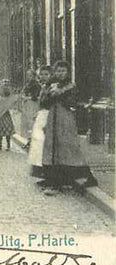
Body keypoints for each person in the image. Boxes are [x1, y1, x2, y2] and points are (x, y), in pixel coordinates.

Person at [40, 60, 98, 195]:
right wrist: (48, 93)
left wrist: (60, 94)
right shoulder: (51, 86)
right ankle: (55, 182)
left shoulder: (71, 87)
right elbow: (44, 104)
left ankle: (88, 177)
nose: (60, 74)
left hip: (65, 119)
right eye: (58, 71)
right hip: (53, 118)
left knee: (70, 147)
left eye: (63, 71)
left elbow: (73, 102)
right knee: (53, 149)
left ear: (67, 73)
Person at [28, 65, 52, 184]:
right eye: (42, 74)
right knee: (38, 143)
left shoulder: (52, 88)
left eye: (46, 74)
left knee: (44, 144)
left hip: (48, 116)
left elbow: (52, 105)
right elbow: (40, 102)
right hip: (41, 116)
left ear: (51, 75)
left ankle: (48, 175)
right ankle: (42, 173)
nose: (43, 76)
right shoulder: (43, 87)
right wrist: (37, 113)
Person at [0, 82, 18, 151]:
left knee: (6, 131)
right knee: (1, 131)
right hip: (1, 116)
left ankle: (7, 145)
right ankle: (1, 145)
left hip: (4, 115)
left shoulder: (8, 98)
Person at [20, 69, 41, 145]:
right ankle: (29, 140)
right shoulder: (27, 84)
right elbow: (23, 92)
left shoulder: (36, 85)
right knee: (27, 123)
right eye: (27, 75)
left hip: (33, 105)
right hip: (27, 105)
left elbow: (35, 97)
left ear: (34, 76)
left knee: (32, 122)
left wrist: (27, 98)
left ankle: (33, 140)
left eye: (30, 75)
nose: (28, 77)